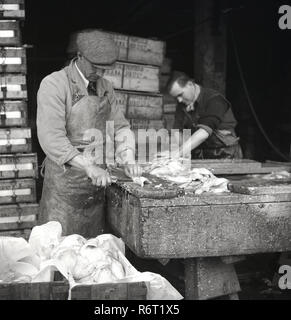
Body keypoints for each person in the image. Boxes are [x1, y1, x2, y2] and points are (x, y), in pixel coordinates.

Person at [36, 29, 142, 238]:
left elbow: (120, 127)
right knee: (61, 253)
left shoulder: (105, 87)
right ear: (80, 56)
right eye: (95, 67)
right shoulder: (55, 84)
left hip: (96, 188)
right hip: (64, 189)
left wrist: (128, 156)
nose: (100, 74)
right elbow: (51, 138)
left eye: (105, 69)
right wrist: (88, 166)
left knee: (93, 253)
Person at [164, 72, 243, 159]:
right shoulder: (182, 104)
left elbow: (204, 132)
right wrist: (183, 153)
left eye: (180, 94)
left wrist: (179, 153)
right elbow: (177, 130)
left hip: (226, 153)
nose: (179, 100)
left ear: (190, 84)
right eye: (176, 97)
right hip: (201, 154)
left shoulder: (214, 99)